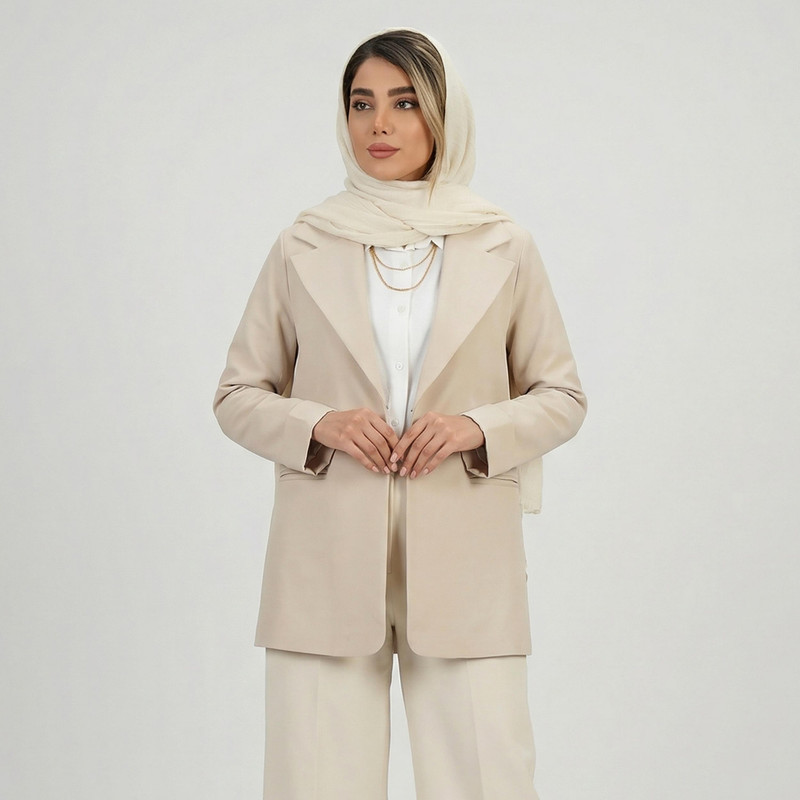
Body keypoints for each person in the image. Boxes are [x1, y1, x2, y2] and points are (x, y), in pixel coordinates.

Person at [214, 27, 586, 800]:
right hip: (322, 564)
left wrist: (475, 428)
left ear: (444, 114)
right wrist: (317, 424)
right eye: (362, 104)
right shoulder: (303, 243)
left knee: (486, 781)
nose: (379, 124)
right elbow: (238, 394)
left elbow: (561, 396)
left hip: (468, 564)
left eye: (405, 102)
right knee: (315, 784)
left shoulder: (503, 244)